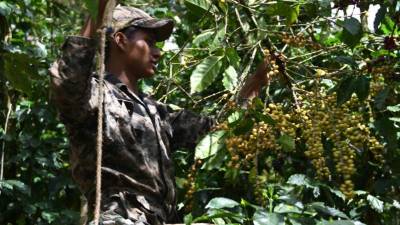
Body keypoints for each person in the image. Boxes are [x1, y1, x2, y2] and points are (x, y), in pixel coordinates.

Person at [49, 1, 271, 224]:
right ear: (120, 40)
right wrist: (98, 12)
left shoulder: (157, 112)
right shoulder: (96, 96)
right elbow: (67, 83)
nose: (158, 53)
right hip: (119, 217)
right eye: (149, 42)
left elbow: (219, 130)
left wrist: (255, 83)